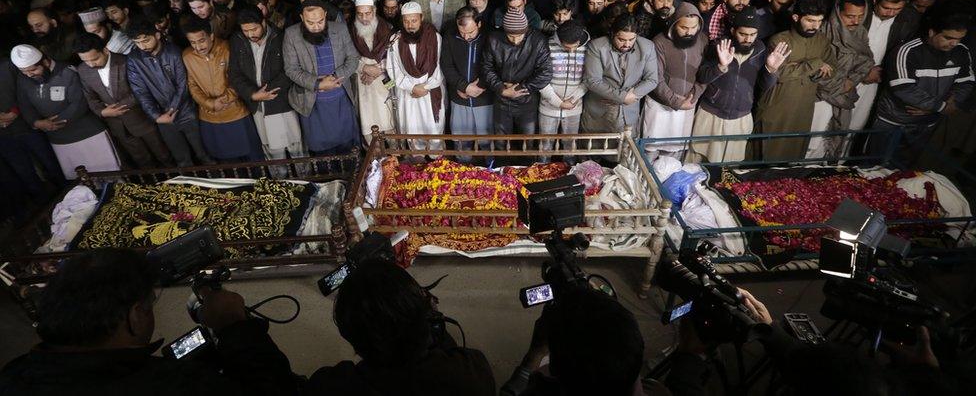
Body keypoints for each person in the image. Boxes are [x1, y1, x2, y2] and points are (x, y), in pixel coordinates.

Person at [0, 249, 297, 396]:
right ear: (135, 316)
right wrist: (236, 327)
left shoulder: (14, 374)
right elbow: (278, 391)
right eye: (149, 305)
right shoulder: (177, 384)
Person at [302, 260, 495, 396]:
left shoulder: (330, 387)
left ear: (350, 336)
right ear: (426, 313)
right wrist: (435, 322)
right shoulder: (471, 373)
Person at [868, 3, 974, 165]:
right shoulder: (908, 51)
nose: (954, 43)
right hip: (894, 120)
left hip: (927, 123)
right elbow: (903, 88)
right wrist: (941, 106)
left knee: (906, 168)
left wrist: (942, 105)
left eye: (958, 39)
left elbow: (966, 82)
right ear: (932, 32)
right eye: (948, 38)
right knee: (874, 164)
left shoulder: (961, 52)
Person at [500, 288, 645, 396]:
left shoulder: (539, 389)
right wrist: (605, 307)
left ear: (554, 368)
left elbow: (511, 392)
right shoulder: (654, 387)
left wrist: (535, 353)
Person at [690, 9, 791, 163]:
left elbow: (764, 87)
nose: (748, 39)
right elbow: (702, 77)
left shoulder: (761, 51)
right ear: (733, 30)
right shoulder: (719, 46)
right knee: (698, 160)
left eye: (752, 35)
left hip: (740, 118)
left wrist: (771, 70)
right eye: (743, 34)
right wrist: (721, 66)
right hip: (711, 115)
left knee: (728, 167)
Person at [11, 44, 120, 179]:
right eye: (24, 71)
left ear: (45, 62)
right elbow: (24, 105)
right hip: (58, 140)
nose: (29, 74)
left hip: (88, 134)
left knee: (109, 174)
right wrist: (37, 122)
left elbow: (79, 103)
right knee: (79, 181)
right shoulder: (23, 79)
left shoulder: (67, 71)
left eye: (32, 70)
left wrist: (53, 124)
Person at [75, 33, 174, 169]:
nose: (91, 64)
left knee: (164, 155)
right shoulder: (82, 70)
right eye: (86, 61)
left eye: (95, 59)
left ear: (105, 50)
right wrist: (102, 112)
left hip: (142, 120)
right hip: (118, 126)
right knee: (142, 161)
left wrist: (117, 108)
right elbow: (90, 97)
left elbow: (141, 91)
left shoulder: (127, 62)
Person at [756, 0, 834, 161]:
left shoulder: (822, 41)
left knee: (793, 154)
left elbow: (830, 67)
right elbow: (781, 73)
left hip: (803, 107)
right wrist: (814, 64)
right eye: (811, 20)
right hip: (777, 106)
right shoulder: (780, 40)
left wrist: (818, 70)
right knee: (766, 152)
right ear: (796, 17)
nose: (816, 26)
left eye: (820, 21)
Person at [125, 18, 213, 167]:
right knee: (182, 160)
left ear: (157, 35)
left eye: (145, 40)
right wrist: (156, 116)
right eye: (137, 42)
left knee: (204, 154)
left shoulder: (174, 52)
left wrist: (171, 110)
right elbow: (140, 92)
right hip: (162, 118)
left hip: (187, 112)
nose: (142, 46)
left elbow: (183, 84)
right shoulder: (134, 60)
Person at [227, 8, 306, 164]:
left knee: (296, 147)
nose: (250, 34)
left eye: (254, 29)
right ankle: (279, 184)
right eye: (245, 30)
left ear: (263, 22)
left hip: (282, 102)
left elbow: (290, 70)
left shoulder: (282, 38)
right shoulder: (237, 40)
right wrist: (253, 94)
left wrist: (267, 92)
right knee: (271, 150)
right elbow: (234, 74)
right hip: (258, 105)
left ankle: (304, 182)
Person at [283, 0, 361, 155]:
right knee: (321, 152)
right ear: (301, 18)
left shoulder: (339, 29)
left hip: (341, 99)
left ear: (325, 14)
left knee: (348, 148)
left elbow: (353, 58)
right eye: (310, 23)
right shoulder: (291, 34)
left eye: (320, 21)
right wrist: (318, 84)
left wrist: (335, 77)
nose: (316, 27)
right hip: (312, 103)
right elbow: (291, 69)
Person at [182, 19, 264, 163]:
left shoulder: (228, 49)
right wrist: (209, 103)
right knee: (227, 160)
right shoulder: (188, 56)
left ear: (211, 36)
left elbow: (239, 77)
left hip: (236, 111)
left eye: (201, 41)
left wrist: (225, 99)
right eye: (193, 42)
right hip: (209, 115)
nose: (198, 47)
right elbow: (192, 85)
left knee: (253, 156)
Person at [806, 0, 873, 159]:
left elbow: (865, 61)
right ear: (838, 13)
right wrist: (838, 85)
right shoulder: (822, 31)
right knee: (810, 141)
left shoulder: (861, 33)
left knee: (833, 140)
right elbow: (812, 66)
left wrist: (851, 81)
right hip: (818, 96)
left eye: (860, 16)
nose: (855, 21)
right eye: (850, 16)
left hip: (844, 95)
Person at [641, 3, 708, 160]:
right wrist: (675, 101)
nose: (689, 32)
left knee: (675, 153)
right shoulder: (660, 42)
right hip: (660, 106)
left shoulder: (703, 40)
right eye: (684, 27)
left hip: (688, 103)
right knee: (650, 151)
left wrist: (693, 95)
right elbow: (655, 78)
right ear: (674, 23)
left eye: (694, 28)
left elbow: (704, 74)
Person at [849, 0, 917, 131]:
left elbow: (903, 56)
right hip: (846, 74)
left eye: (897, 9)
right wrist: (862, 71)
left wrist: (880, 72)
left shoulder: (908, 21)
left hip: (874, 80)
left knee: (855, 125)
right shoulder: (858, 13)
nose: (891, 13)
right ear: (875, 0)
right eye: (886, 8)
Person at [482, 7, 552, 148]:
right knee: (501, 143)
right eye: (511, 36)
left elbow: (546, 73)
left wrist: (521, 87)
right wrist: (501, 88)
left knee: (527, 143)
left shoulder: (538, 40)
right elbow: (486, 67)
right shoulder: (494, 39)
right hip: (501, 99)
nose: (515, 40)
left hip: (527, 100)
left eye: (519, 36)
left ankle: (527, 169)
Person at [0, 58, 64, 208]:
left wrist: (15, 111)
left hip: (26, 124)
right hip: (3, 138)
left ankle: (70, 192)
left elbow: (25, 86)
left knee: (51, 162)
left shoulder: (7, 65)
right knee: (25, 172)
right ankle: (45, 210)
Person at [581, 14, 659, 133]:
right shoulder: (597, 46)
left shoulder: (647, 47)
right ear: (612, 34)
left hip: (629, 112)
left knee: (626, 150)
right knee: (595, 150)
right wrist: (622, 97)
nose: (627, 44)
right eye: (621, 39)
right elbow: (592, 81)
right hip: (599, 111)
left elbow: (652, 80)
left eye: (631, 39)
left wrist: (632, 95)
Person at [387, 2, 446, 152]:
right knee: (413, 128)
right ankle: (417, 160)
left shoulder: (435, 37)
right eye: (406, 21)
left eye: (414, 21)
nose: (410, 25)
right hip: (408, 93)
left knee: (434, 128)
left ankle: (436, 162)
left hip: (429, 90)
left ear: (422, 18)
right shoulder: (395, 39)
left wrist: (424, 87)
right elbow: (392, 69)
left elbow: (440, 66)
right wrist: (411, 87)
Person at [440, 7, 492, 160]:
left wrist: (480, 86)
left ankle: (491, 173)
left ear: (479, 24)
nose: (466, 37)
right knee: (462, 143)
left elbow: (494, 65)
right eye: (462, 32)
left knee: (487, 142)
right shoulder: (449, 36)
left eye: (470, 33)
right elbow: (446, 65)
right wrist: (463, 86)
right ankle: (464, 174)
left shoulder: (490, 37)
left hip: (484, 99)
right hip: (459, 97)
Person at [538, 19, 588, 163]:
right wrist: (558, 102)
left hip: (574, 107)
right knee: (545, 145)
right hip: (548, 107)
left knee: (570, 145)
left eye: (575, 47)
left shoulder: (588, 48)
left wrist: (573, 99)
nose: (572, 50)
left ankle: (569, 173)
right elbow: (540, 79)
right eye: (567, 47)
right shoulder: (547, 46)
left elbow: (589, 79)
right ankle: (542, 172)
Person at [349, 0, 395, 140]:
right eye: (360, 14)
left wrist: (378, 70)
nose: (364, 18)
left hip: (387, 80)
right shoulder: (349, 31)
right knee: (367, 120)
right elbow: (345, 56)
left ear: (374, 11)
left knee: (389, 118)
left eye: (367, 13)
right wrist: (364, 67)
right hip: (362, 82)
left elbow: (397, 57)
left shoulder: (388, 28)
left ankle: (395, 155)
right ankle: (373, 156)